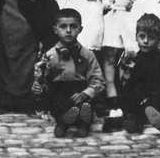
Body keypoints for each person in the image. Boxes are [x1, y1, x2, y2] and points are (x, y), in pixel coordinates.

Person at [31, 8, 105, 138]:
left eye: (73, 26)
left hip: (80, 91)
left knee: (85, 105)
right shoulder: (50, 55)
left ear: (80, 29)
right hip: (60, 92)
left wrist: (85, 93)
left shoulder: (87, 55)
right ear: (55, 30)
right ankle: (63, 122)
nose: (69, 30)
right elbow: (44, 79)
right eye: (63, 27)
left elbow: (98, 80)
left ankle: (84, 124)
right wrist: (39, 86)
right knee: (59, 102)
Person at [110, 13, 160, 135]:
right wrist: (127, 71)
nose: (145, 41)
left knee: (156, 103)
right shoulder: (134, 58)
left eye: (151, 38)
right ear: (136, 37)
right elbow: (130, 84)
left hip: (154, 96)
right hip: (138, 97)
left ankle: (158, 120)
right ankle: (133, 120)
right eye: (142, 36)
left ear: (158, 40)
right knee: (130, 102)